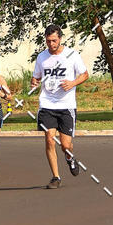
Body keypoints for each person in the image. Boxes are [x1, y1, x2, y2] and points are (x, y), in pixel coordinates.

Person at [31, 24, 89, 189]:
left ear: (60, 39)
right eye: (48, 41)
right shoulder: (41, 57)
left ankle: (70, 158)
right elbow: (35, 78)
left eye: (54, 41)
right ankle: (55, 177)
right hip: (47, 104)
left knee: (65, 145)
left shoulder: (71, 55)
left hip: (66, 105)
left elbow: (85, 74)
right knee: (49, 139)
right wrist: (34, 82)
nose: (51, 44)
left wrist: (72, 83)